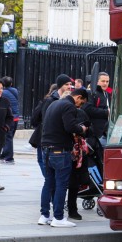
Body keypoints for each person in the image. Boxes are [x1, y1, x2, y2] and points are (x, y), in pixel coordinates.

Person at [40, 86, 90, 227]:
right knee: (61, 184)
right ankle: (58, 218)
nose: (80, 106)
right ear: (78, 97)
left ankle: (44, 216)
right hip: (60, 150)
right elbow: (70, 127)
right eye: (82, 102)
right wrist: (82, 129)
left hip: (46, 149)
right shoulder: (69, 106)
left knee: (48, 183)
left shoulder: (54, 103)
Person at [29, 83, 60, 176]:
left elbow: (35, 118)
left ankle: (48, 179)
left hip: (43, 135)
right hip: (54, 137)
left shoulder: (46, 101)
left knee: (42, 159)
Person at [85, 71, 111, 145]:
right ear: (97, 81)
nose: (105, 83)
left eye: (107, 81)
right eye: (103, 81)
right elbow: (88, 109)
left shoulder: (107, 94)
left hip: (106, 132)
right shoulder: (91, 93)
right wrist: (107, 112)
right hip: (95, 133)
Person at [0, 76, 20, 164]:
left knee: (8, 137)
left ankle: (9, 157)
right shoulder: (15, 91)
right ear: (11, 83)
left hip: (9, 118)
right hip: (16, 117)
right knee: (9, 137)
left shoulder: (3, 93)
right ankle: (5, 155)